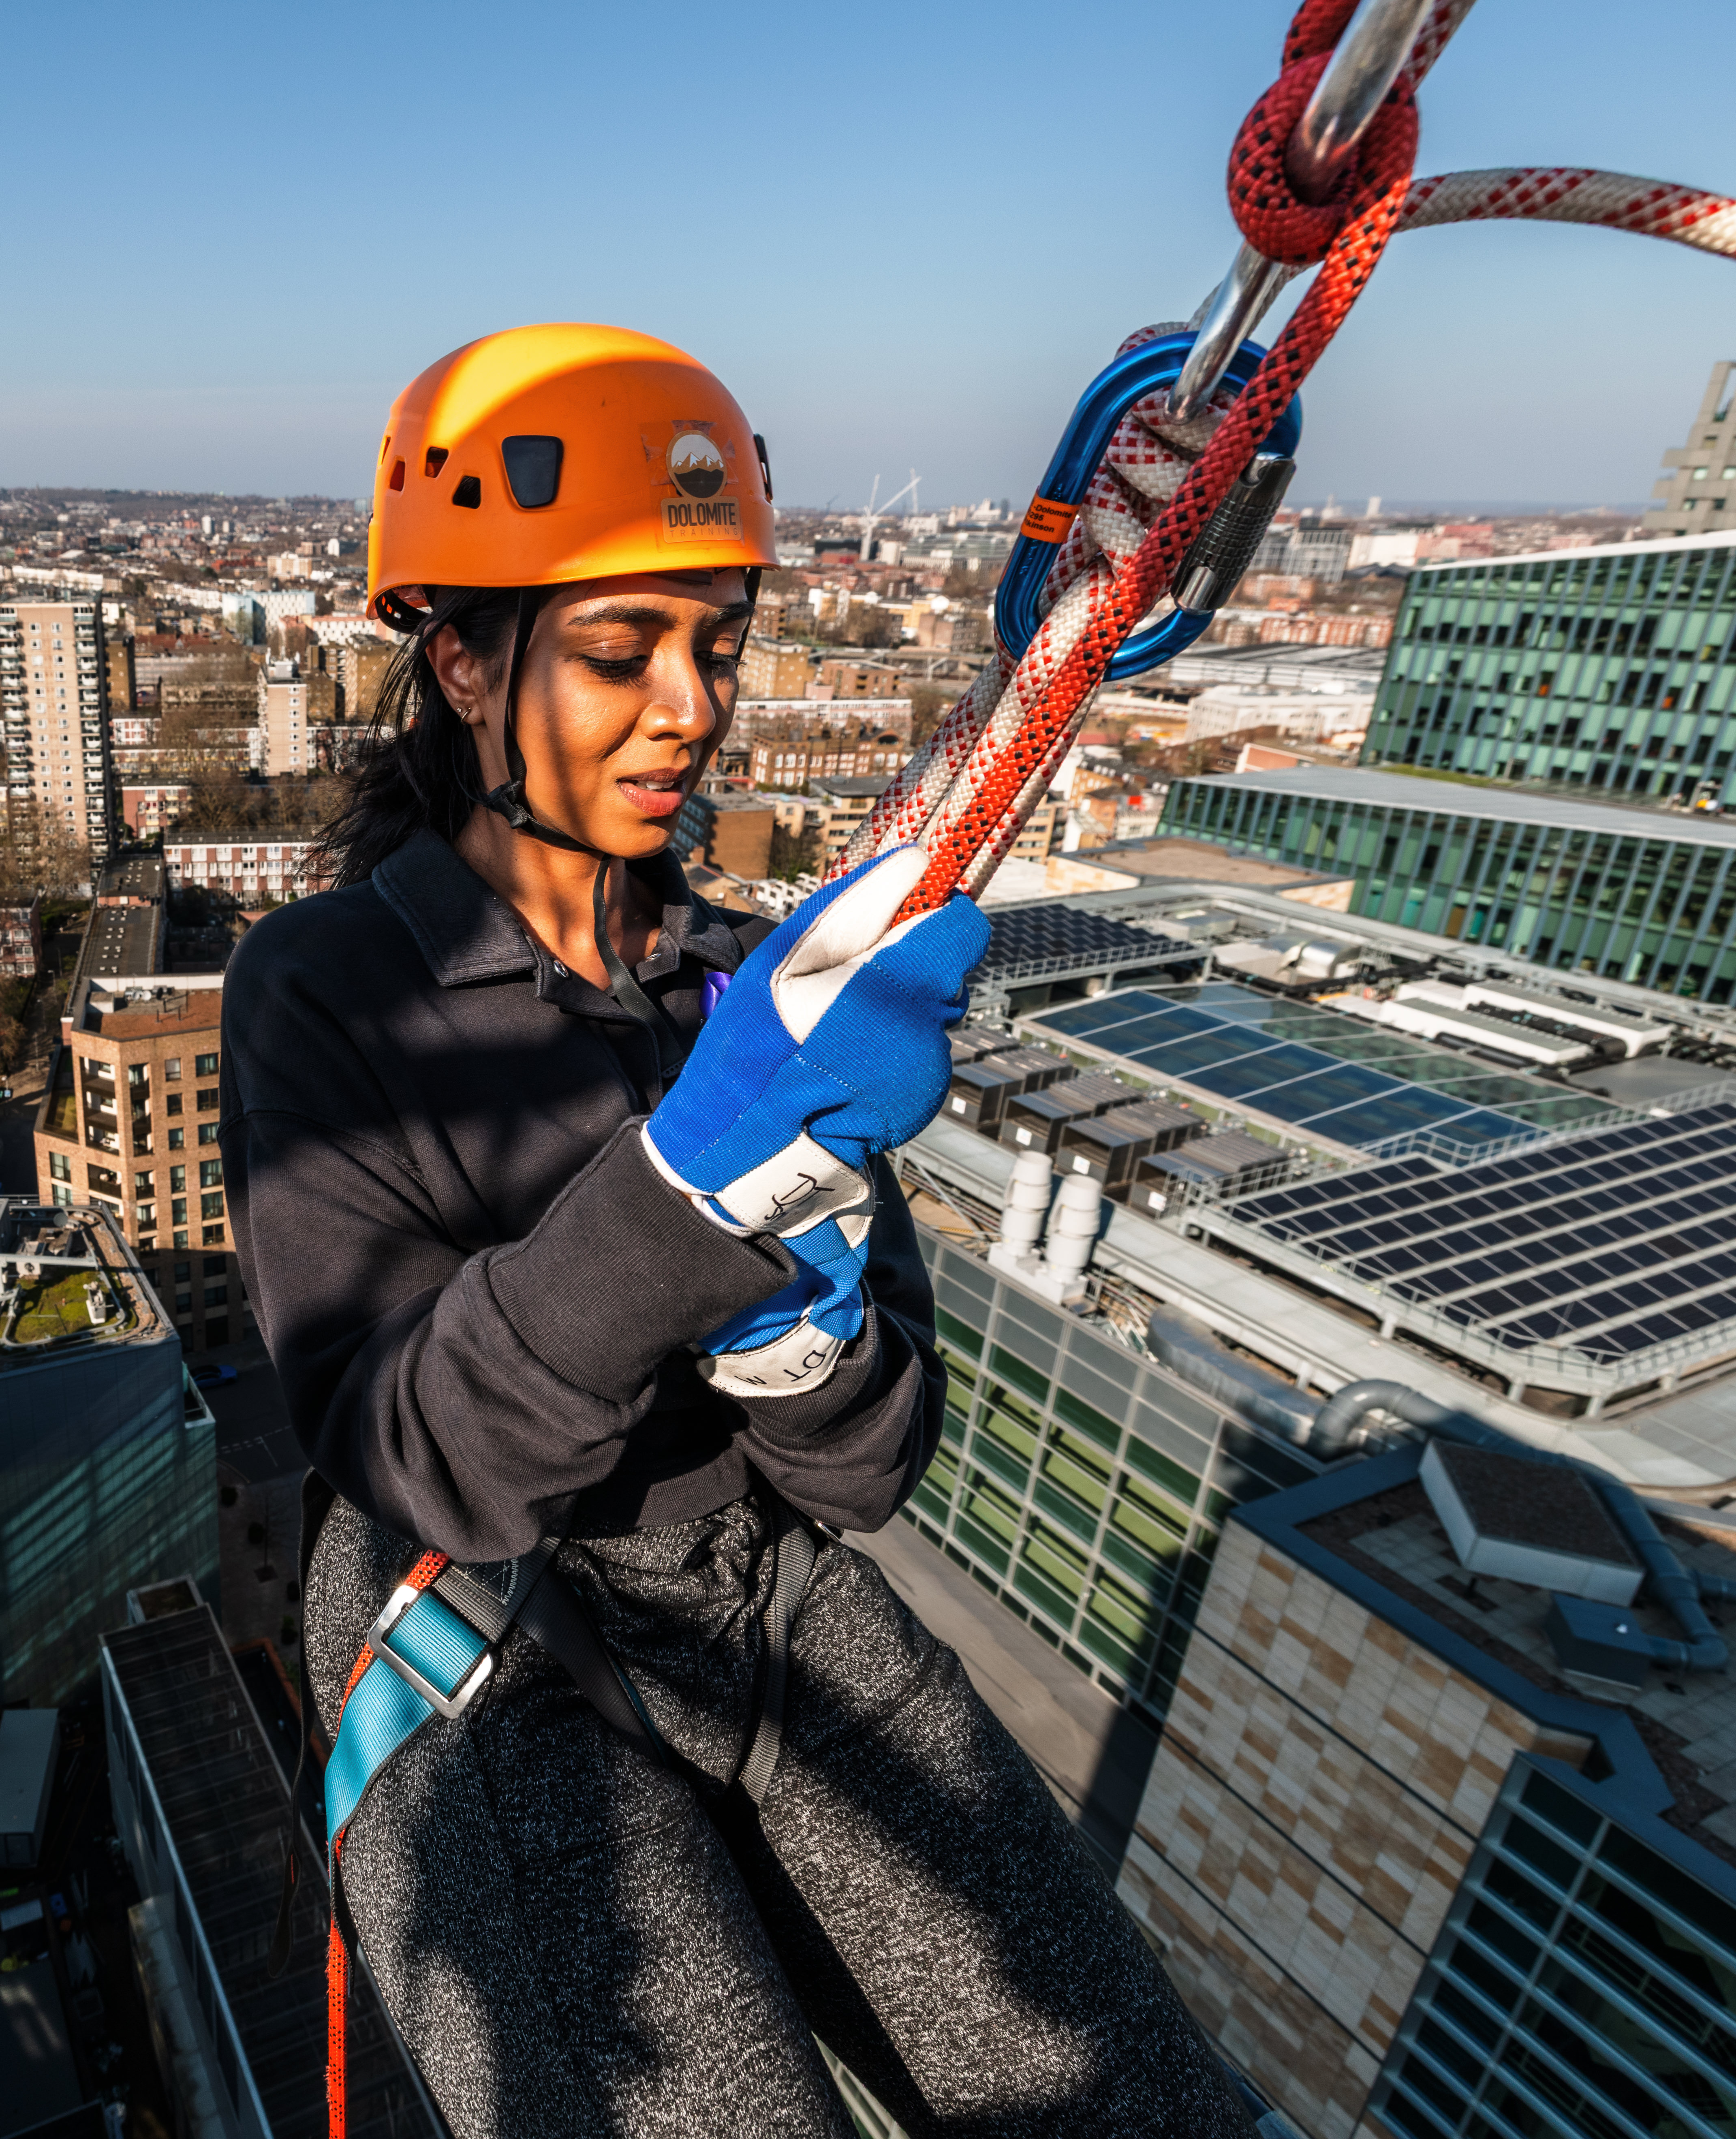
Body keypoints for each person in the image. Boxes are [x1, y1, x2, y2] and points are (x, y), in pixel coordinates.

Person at [222, 325, 1257, 2138]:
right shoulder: (329, 989)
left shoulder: (746, 985)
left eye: (714, 643)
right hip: (482, 1623)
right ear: (462, 665)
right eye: (619, 649)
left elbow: (865, 1472)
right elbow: (424, 1459)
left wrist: (802, 1341)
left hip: (765, 1587)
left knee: (1137, 2101)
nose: (691, 706)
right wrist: (688, 1196)